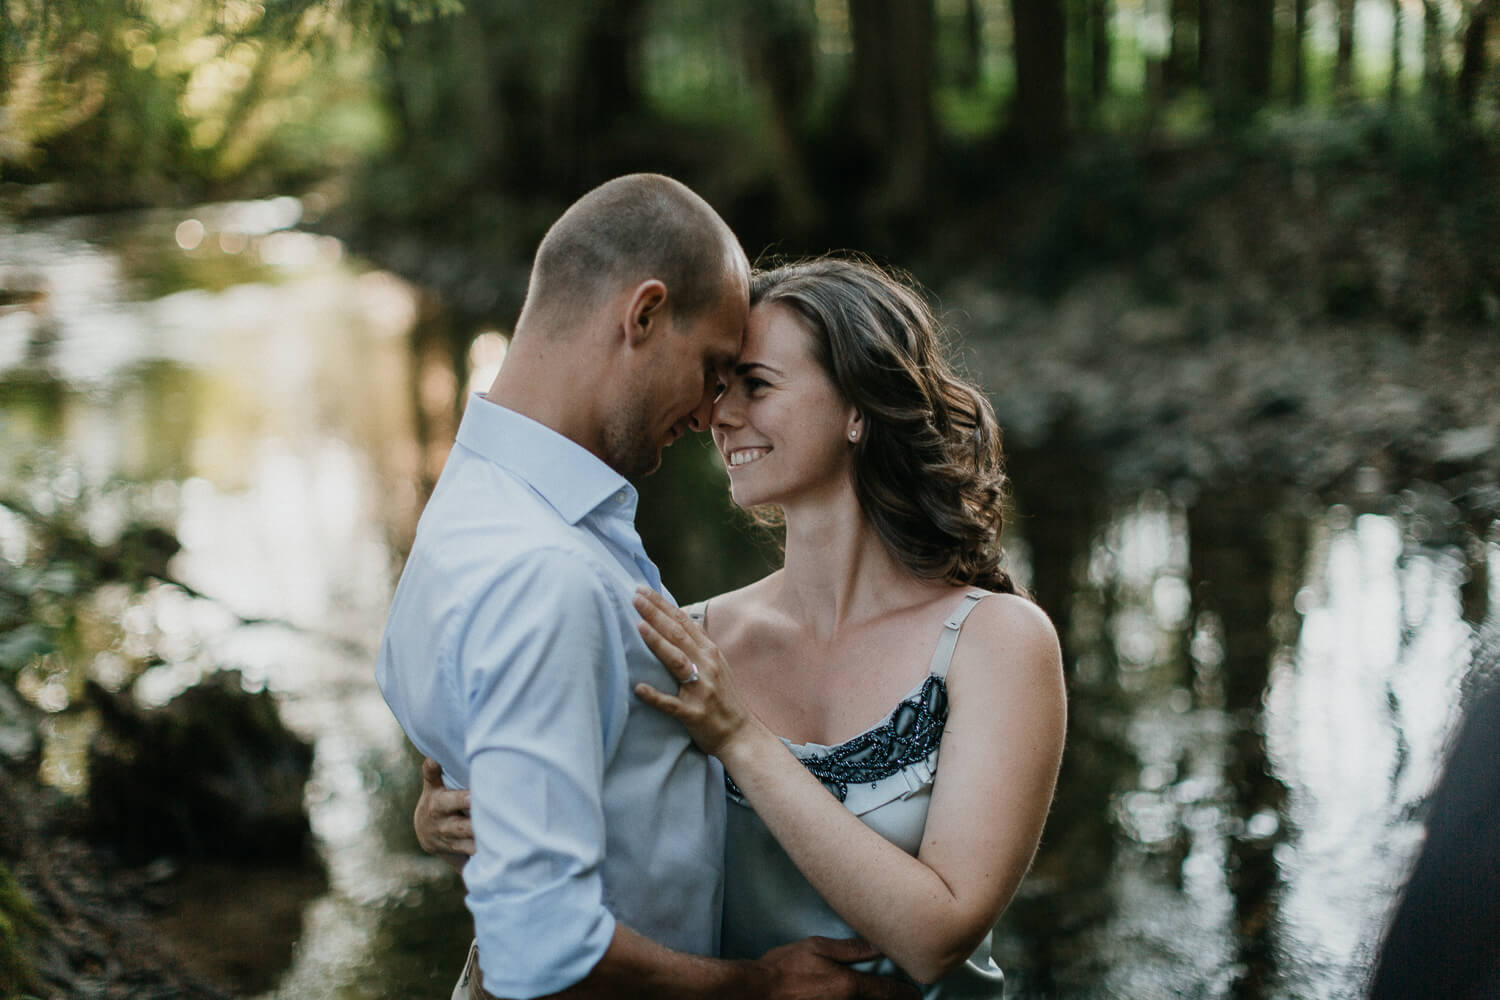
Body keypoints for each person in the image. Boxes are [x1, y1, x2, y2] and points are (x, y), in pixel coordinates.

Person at [417, 254, 1068, 997]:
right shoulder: (679, 641)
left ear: (860, 407)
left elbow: (936, 937)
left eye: (756, 386)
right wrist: (454, 822)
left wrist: (738, 737)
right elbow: (567, 866)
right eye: (719, 386)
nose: (718, 416)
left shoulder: (997, 642)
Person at [378, 177, 915, 1000]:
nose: (710, 415)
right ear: (644, 315)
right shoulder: (545, 572)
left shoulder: (482, 503)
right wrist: (757, 987)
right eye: (712, 369)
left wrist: (480, 813)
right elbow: (542, 953)